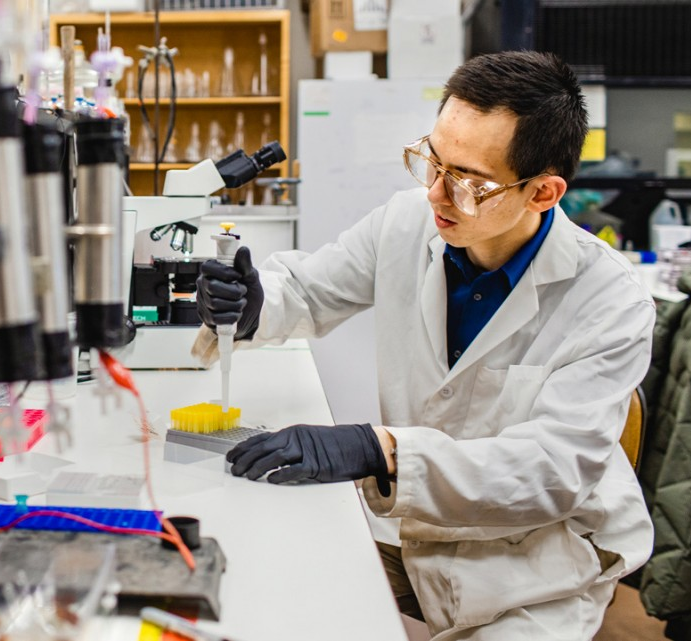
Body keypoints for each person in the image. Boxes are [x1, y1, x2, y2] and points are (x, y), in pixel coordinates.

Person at [194, 51, 654, 639]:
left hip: (536, 568)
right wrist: (256, 304)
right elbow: (308, 291)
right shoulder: (408, 222)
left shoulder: (609, 302)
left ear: (543, 192)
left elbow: (551, 471)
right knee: (268, 589)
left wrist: (381, 451)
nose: (436, 194)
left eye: (468, 181)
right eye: (432, 162)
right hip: (415, 532)